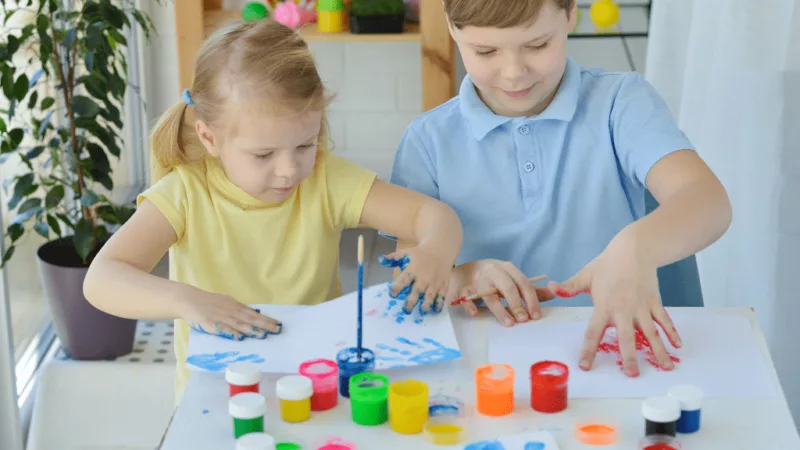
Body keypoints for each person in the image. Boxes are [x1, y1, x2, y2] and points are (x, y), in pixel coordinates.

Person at [82, 19, 463, 403]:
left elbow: (432, 216)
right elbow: (102, 279)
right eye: (263, 154)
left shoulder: (324, 179)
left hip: (318, 393)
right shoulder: (185, 193)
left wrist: (434, 251)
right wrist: (186, 300)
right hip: (217, 402)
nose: (289, 169)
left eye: (305, 144)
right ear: (209, 138)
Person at [388, 0, 732, 377]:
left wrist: (634, 247)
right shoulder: (426, 142)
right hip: (490, 367)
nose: (514, 73)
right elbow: (406, 281)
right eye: (486, 51)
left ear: (570, 14)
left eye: (537, 46)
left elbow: (708, 201)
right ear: (452, 29)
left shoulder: (621, 102)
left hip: (615, 360)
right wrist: (462, 278)